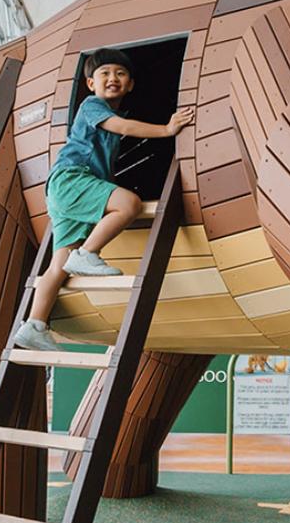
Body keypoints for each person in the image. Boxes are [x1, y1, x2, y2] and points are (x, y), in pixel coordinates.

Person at [12, 48, 194, 351]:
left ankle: (34, 324)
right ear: (91, 84)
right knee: (129, 204)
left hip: (63, 190)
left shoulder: (105, 110)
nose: (113, 78)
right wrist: (167, 129)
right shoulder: (92, 106)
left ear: (131, 84)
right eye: (105, 73)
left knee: (58, 265)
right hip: (73, 179)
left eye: (121, 74)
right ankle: (87, 254)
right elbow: (122, 127)